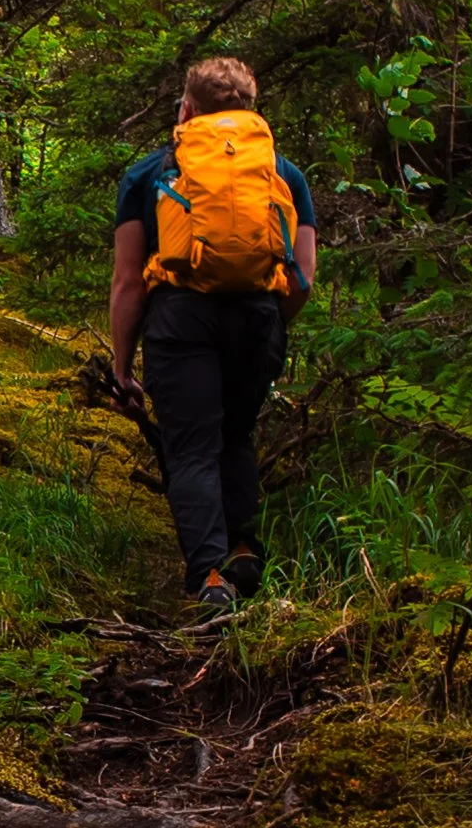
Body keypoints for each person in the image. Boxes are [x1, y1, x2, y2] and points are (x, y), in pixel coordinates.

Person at [110, 56, 318, 632]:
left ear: (187, 107)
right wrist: (273, 325)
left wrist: (122, 365)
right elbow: (303, 274)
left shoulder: (151, 174)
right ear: (252, 109)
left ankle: (208, 575)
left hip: (180, 320)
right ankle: (245, 549)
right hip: (256, 317)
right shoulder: (284, 175)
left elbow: (129, 281)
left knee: (192, 446)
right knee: (235, 434)